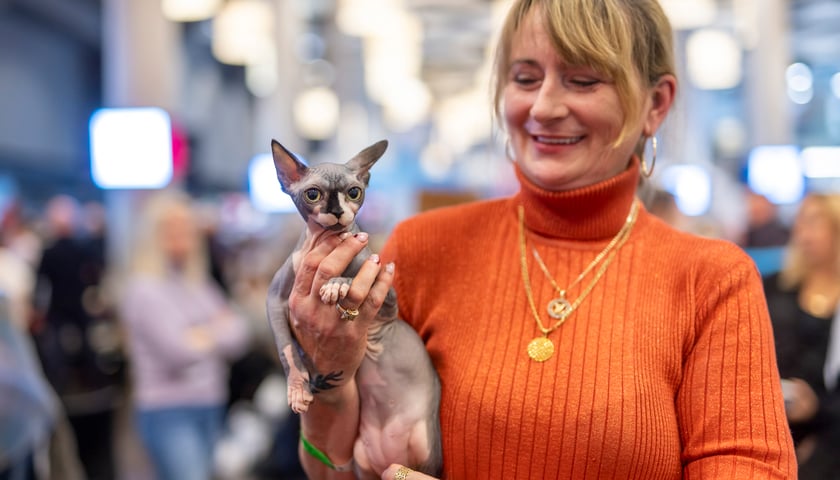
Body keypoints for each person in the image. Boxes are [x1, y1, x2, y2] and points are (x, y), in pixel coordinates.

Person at [279, 1, 797, 479]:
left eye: (583, 80)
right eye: (525, 77)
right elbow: (333, 468)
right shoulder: (422, 248)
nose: (544, 107)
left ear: (655, 103)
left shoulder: (712, 281)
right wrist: (328, 372)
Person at [118, 190, 249, 480]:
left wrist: (200, 334)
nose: (181, 236)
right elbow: (178, 350)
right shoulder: (143, 290)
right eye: (172, 228)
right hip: (168, 410)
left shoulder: (198, 285)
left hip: (210, 401)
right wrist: (216, 329)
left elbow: (239, 334)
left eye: (187, 228)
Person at [30, 195, 121, 480]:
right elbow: (94, 280)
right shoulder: (82, 249)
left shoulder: (51, 251)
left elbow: (40, 290)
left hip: (63, 321)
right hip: (77, 320)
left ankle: (65, 387)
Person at [763, 193, 840, 478]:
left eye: (815, 223)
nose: (804, 233)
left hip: (829, 437)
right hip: (771, 425)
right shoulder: (773, 287)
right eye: (801, 223)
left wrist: (817, 407)